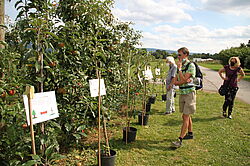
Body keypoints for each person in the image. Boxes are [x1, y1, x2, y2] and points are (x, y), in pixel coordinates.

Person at [172, 47, 196, 148]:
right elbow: (176, 81)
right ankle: (190, 133)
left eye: (180, 55)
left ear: (185, 55)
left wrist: (180, 70)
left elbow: (184, 79)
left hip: (189, 93)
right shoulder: (179, 66)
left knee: (186, 116)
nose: (178, 57)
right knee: (185, 115)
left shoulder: (191, 65)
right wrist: (181, 80)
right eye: (178, 55)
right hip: (182, 92)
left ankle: (180, 139)